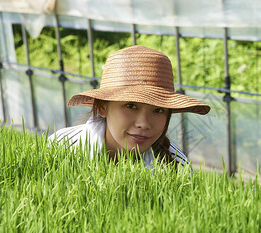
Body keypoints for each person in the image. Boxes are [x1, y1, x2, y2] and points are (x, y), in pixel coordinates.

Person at [49, 45, 210, 167]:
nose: (144, 123)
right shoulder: (62, 148)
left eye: (158, 110)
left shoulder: (175, 165)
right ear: (102, 107)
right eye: (131, 106)